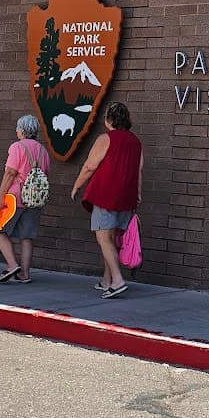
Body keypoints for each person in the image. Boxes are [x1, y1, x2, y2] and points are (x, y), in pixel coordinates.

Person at [71, 101, 142, 299]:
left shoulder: (106, 139)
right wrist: (138, 193)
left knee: (103, 238)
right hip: (127, 196)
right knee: (111, 239)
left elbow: (89, 166)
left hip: (106, 194)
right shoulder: (135, 142)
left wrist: (77, 185)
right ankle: (106, 280)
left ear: (108, 120)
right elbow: (139, 170)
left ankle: (117, 280)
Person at [0, 114, 51, 284]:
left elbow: (10, 172)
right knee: (27, 237)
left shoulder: (17, 147)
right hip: (35, 199)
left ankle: (12, 265)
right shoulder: (43, 151)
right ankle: (25, 274)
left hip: (15, 197)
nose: (16, 131)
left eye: (17, 128)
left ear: (22, 130)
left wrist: (0, 195)